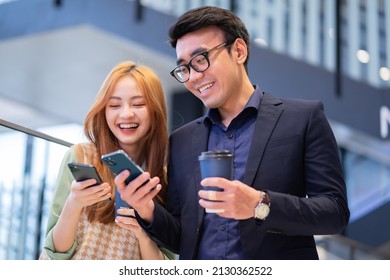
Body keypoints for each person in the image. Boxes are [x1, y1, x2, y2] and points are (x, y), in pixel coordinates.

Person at [117, 6, 350, 260]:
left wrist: (259, 204)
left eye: (201, 59)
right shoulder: (182, 141)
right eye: (184, 68)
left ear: (239, 51)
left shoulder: (302, 118)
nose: (194, 76)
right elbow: (181, 238)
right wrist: (147, 208)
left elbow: (334, 213)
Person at [39, 61, 174, 260]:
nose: (126, 114)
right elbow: (55, 254)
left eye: (138, 104)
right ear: (104, 110)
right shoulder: (80, 156)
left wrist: (143, 234)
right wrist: (74, 203)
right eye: (114, 105)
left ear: (155, 110)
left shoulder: (165, 179)